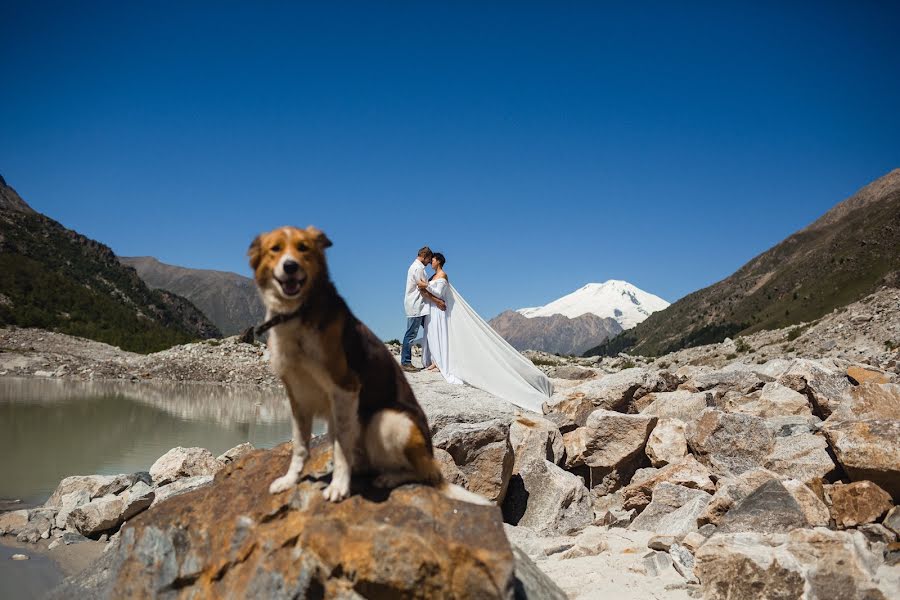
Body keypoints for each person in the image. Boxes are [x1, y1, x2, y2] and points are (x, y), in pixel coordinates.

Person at [416, 252, 552, 413]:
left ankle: (439, 362)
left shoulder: (442, 275)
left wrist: (426, 286)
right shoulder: (433, 276)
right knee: (432, 334)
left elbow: (439, 293)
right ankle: (435, 360)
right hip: (434, 309)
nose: (430, 262)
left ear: (438, 261)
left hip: (439, 310)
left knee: (439, 334)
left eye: (432, 260)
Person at [400, 246, 442, 372]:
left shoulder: (417, 267)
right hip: (416, 305)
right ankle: (405, 362)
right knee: (411, 334)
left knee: (431, 331)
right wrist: (438, 301)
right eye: (429, 259)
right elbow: (422, 289)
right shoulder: (418, 268)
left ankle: (435, 359)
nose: (430, 262)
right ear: (424, 256)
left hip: (419, 305)